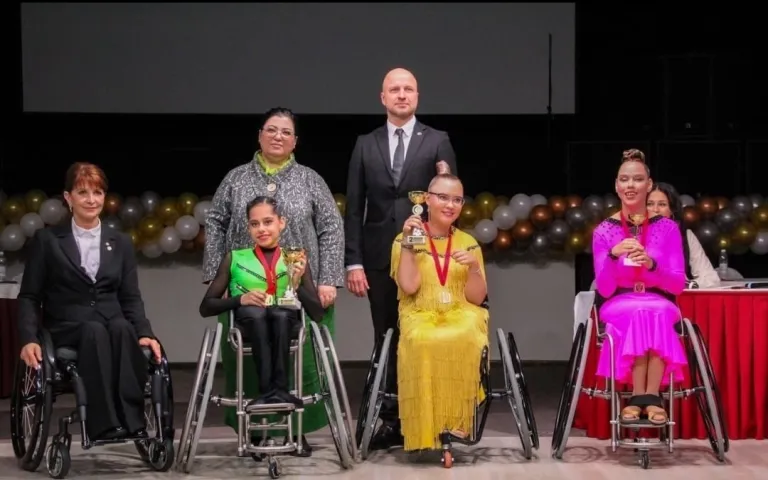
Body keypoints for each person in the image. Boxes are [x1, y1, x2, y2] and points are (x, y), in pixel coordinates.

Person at [203, 107, 344, 456]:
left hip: (298, 289)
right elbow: (216, 222)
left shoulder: (310, 179)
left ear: (295, 141)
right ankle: (256, 429)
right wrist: (217, 275)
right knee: (251, 356)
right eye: (271, 129)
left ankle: (297, 428)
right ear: (259, 135)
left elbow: (331, 228)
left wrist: (328, 280)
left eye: (286, 132)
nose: (278, 136)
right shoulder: (236, 178)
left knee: (302, 359)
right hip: (247, 289)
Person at [345, 67, 458, 448]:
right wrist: (353, 261)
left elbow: (448, 201)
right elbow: (354, 207)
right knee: (387, 336)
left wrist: (445, 252)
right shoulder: (366, 143)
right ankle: (392, 419)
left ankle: (432, 416)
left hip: (426, 256)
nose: (401, 94)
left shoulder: (437, 140)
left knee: (425, 334)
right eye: (394, 89)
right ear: (383, 97)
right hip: (379, 257)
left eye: (408, 89)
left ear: (417, 96)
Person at [17, 162, 161, 441]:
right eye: (83, 192)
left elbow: (130, 296)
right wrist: (28, 338)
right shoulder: (48, 240)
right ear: (68, 197)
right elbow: (30, 296)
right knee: (94, 330)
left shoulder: (120, 242)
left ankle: (133, 421)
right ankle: (104, 423)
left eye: (97, 192)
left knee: (122, 328)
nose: (91, 200)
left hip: (112, 321)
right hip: (68, 324)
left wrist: (145, 332)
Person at [390, 173, 488, 453]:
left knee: (466, 334)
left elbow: (477, 298)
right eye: (443, 198)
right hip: (420, 310)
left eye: (457, 200)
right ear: (426, 200)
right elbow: (409, 286)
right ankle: (426, 426)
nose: (450, 205)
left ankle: (457, 421)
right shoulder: (406, 238)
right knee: (423, 339)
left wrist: (473, 268)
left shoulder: (468, 241)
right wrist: (408, 245)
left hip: (461, 310)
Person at [199, 196, 326, 408]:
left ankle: (280, 391)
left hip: (285, 323)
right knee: (257, 314)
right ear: (248, 228)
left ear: (281, 223)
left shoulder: (295, 258)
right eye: (254, 224)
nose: (261, 229)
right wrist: (240, 299)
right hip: (248, 323)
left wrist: (296, 285)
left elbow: (318, 313)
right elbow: (206, 307)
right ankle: (267, 391)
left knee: (280, 314)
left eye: (268, 222)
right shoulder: (234, 258)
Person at [592, 149, 688, 425]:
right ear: (616, 186)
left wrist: (652, 264)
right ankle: (648, 399)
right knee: (641, 312)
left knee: (652, 310)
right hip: (618, 302)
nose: (630, 185)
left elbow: (677, 285)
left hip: (659, 300)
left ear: (649, 184)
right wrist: (612, 255)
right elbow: (605, 289)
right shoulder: (603, 231)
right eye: (624, 179)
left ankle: (642, 398)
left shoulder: (667, 228)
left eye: (637, 179)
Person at [647, 182, 721, 288]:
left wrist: (688, 284)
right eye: (649, 204)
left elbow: (711, 278)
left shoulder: (685, 235)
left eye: (662, 204)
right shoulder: (632, 233)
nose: (655, 210)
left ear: (672, 210)